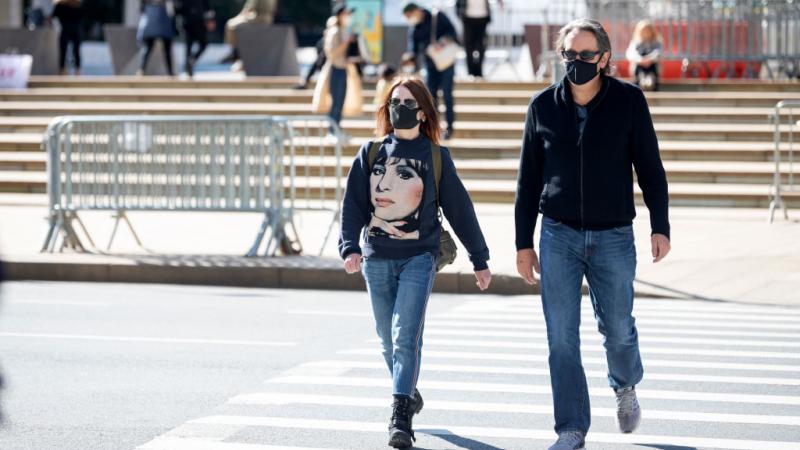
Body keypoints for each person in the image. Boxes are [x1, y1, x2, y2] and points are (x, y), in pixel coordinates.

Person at [514, 18, 671, 450]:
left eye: (586, 54)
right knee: (561, 338)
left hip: (613, 234)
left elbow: (650, 167)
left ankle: (625, 384)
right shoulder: (542, 106)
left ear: (604, 58)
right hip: (558, 235)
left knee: (618, 328)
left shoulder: (629, 101)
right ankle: (571, 428)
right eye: (570, 54)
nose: (576, 62)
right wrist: (523, 243)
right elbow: (528, 180)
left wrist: (660, 225)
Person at [339, 76, 492, 448]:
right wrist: (349, 247)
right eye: (395, 102)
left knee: (405, 336)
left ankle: (400, 417)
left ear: (422, 113)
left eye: (408, 103)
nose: (400, 108)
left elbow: (460, 209)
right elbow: (353, 204)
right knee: (386, 340)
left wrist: (479, 257)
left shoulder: (436, 157)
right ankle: (407, 390)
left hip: (419, 258)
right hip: (376, 257)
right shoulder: (371, 152)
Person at [402, 2, 459, 140]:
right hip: (429, 64)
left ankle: (449, 128)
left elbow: (453, 33)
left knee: (447, 94)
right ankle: (434, 127)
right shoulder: (414, 27)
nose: (410, 19)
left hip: (446, 62)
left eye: (410, 15)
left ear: (417, 10)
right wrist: (409, 58)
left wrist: (441, 43)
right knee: (431, 97)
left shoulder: (437, 16)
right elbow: (413, 49)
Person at [322, 5, 356, 131]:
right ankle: (332, 130)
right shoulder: (334, 31)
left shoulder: (344, 30)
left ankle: (336, 129)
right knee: (336, 102)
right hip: (335, 69)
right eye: (346, 14)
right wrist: (346, 42)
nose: (348, 17)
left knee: (340, 102)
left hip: (343, 68)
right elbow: (332, 53)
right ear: (339, 15)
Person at [223, 0, 278, 70]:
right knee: (231, 24)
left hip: (259, 17)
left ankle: (236, 54)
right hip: (257, 16)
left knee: (231, 25)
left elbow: (259, 9)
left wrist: (244, 15)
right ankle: (236, 53)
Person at [455, 0, 502, 80]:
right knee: (469, 47)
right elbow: (459, 3)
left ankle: (479, 72)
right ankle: (470, 72)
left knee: (481, 47)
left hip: (483, 18)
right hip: (468, 18)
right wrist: (460, 15)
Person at [176, 0, 215, 77]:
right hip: (191, 23)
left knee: (197, 45)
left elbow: (207, 8)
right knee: (193, 45)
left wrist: (210, 20)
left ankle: (191, 61)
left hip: (195, 23)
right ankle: (190, 64)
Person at [136, 0, 176, 76]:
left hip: (162, 21)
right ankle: (141, 69)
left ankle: (170, 71)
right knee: (148, 48)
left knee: (166, 49)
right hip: (153, 22)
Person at [626, 20, 663, 91]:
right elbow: (630, 53)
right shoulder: (635, 42)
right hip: (639, 66)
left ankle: (650, 79)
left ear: (652, 31)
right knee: (641, 56)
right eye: (643, 31)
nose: (646, 33)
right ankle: (642, 79)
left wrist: (649, 59)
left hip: (652, 66)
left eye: (648, 30)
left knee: (654, 67)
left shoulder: (656, 42)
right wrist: (640, 60)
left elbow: (658, 52)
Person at [50, 0, 83, 76]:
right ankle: (63, 70)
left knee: (75, 51)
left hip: (73, 30)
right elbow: (53, 16)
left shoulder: (77, 5)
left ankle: (76, 70)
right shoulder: (61, 5)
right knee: (65, 51)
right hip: (67, 30)